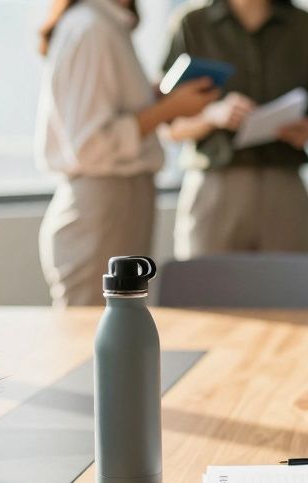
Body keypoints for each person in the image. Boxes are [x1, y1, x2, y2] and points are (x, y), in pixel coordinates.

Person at [36, 0, 218, 307]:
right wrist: (168, 109)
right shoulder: (91, 28)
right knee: (93, 327)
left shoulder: (107, 25)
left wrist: (156, 99)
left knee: (121, 323)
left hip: (119, 202)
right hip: (103, 205)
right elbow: (90, 145)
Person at [163, 0, 308, 258]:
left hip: (284, 185)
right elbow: (168, 125)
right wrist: (212, 116)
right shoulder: (192, 24)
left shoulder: (306, 27)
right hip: (216, 184)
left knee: (291, 281)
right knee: (206, 281)